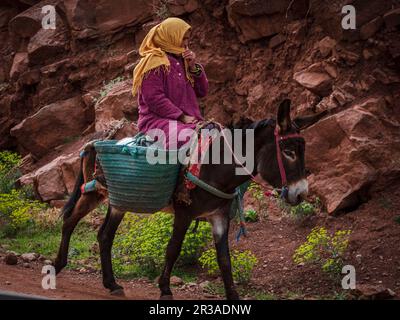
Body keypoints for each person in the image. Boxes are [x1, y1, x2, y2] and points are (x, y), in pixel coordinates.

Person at [132, 17, 209, 149]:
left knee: (219, 135)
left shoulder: (184, 60)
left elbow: (202, 91)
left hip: (188, 120)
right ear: (171, 37)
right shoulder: (154, 62)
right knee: (185, 138)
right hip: (156, 120)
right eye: (183, 38)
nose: (186, 43)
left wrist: (193, 67)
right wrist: (181, 116)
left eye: (187, 39)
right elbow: (154, 98)